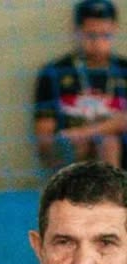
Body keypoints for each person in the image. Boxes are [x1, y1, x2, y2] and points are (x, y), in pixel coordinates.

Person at [35, 0, 127, 169]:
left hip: (119, 155)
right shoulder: (54, 72)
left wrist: (86, 132)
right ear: (77, 31)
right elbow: (44, 139)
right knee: (82, 144)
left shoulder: (124, 70)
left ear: (115, 29)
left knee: (108, 143)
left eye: (105, 35)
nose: (98, 43)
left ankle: (113, 186)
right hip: (73, 155)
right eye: (90, 35)